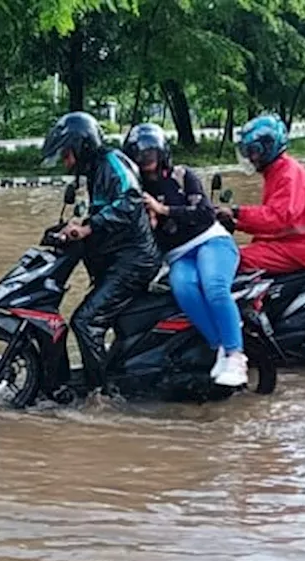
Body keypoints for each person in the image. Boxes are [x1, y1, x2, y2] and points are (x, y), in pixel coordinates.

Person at [41, 111, 161, 393]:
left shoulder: (112, 162)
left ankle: (99, 396)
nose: (65, 161)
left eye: (67, 154)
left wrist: (88, 227)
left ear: (82, 146)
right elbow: (105, 210)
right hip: (120, 258)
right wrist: (76, 225)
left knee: (85, 322)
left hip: (134, 260)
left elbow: (129, 201)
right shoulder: (96, 169)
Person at [123, 123, 247, 387]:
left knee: (213, 285)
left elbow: (205, 213)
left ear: (162, 153)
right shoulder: (135, 191)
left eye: (150, 155)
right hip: (179, 256)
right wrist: (150, 225)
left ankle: (236, 354)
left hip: (210, 241)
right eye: (140, 157)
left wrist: (163, 209)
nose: (146, 163)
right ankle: (219, 349)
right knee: (185, 291)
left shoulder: (182, 176)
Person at [217, 114, 305, 274]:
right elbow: (269, 221)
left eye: (254, 151)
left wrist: (238, 212)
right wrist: (236, 223)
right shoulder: (275, 171)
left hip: (302, 248)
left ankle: (255, 299)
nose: (250, 158)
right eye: (247, 152)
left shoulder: (289, 174)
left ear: (268, 148)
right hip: (287, 242)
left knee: (239, 260)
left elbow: (278, 218)